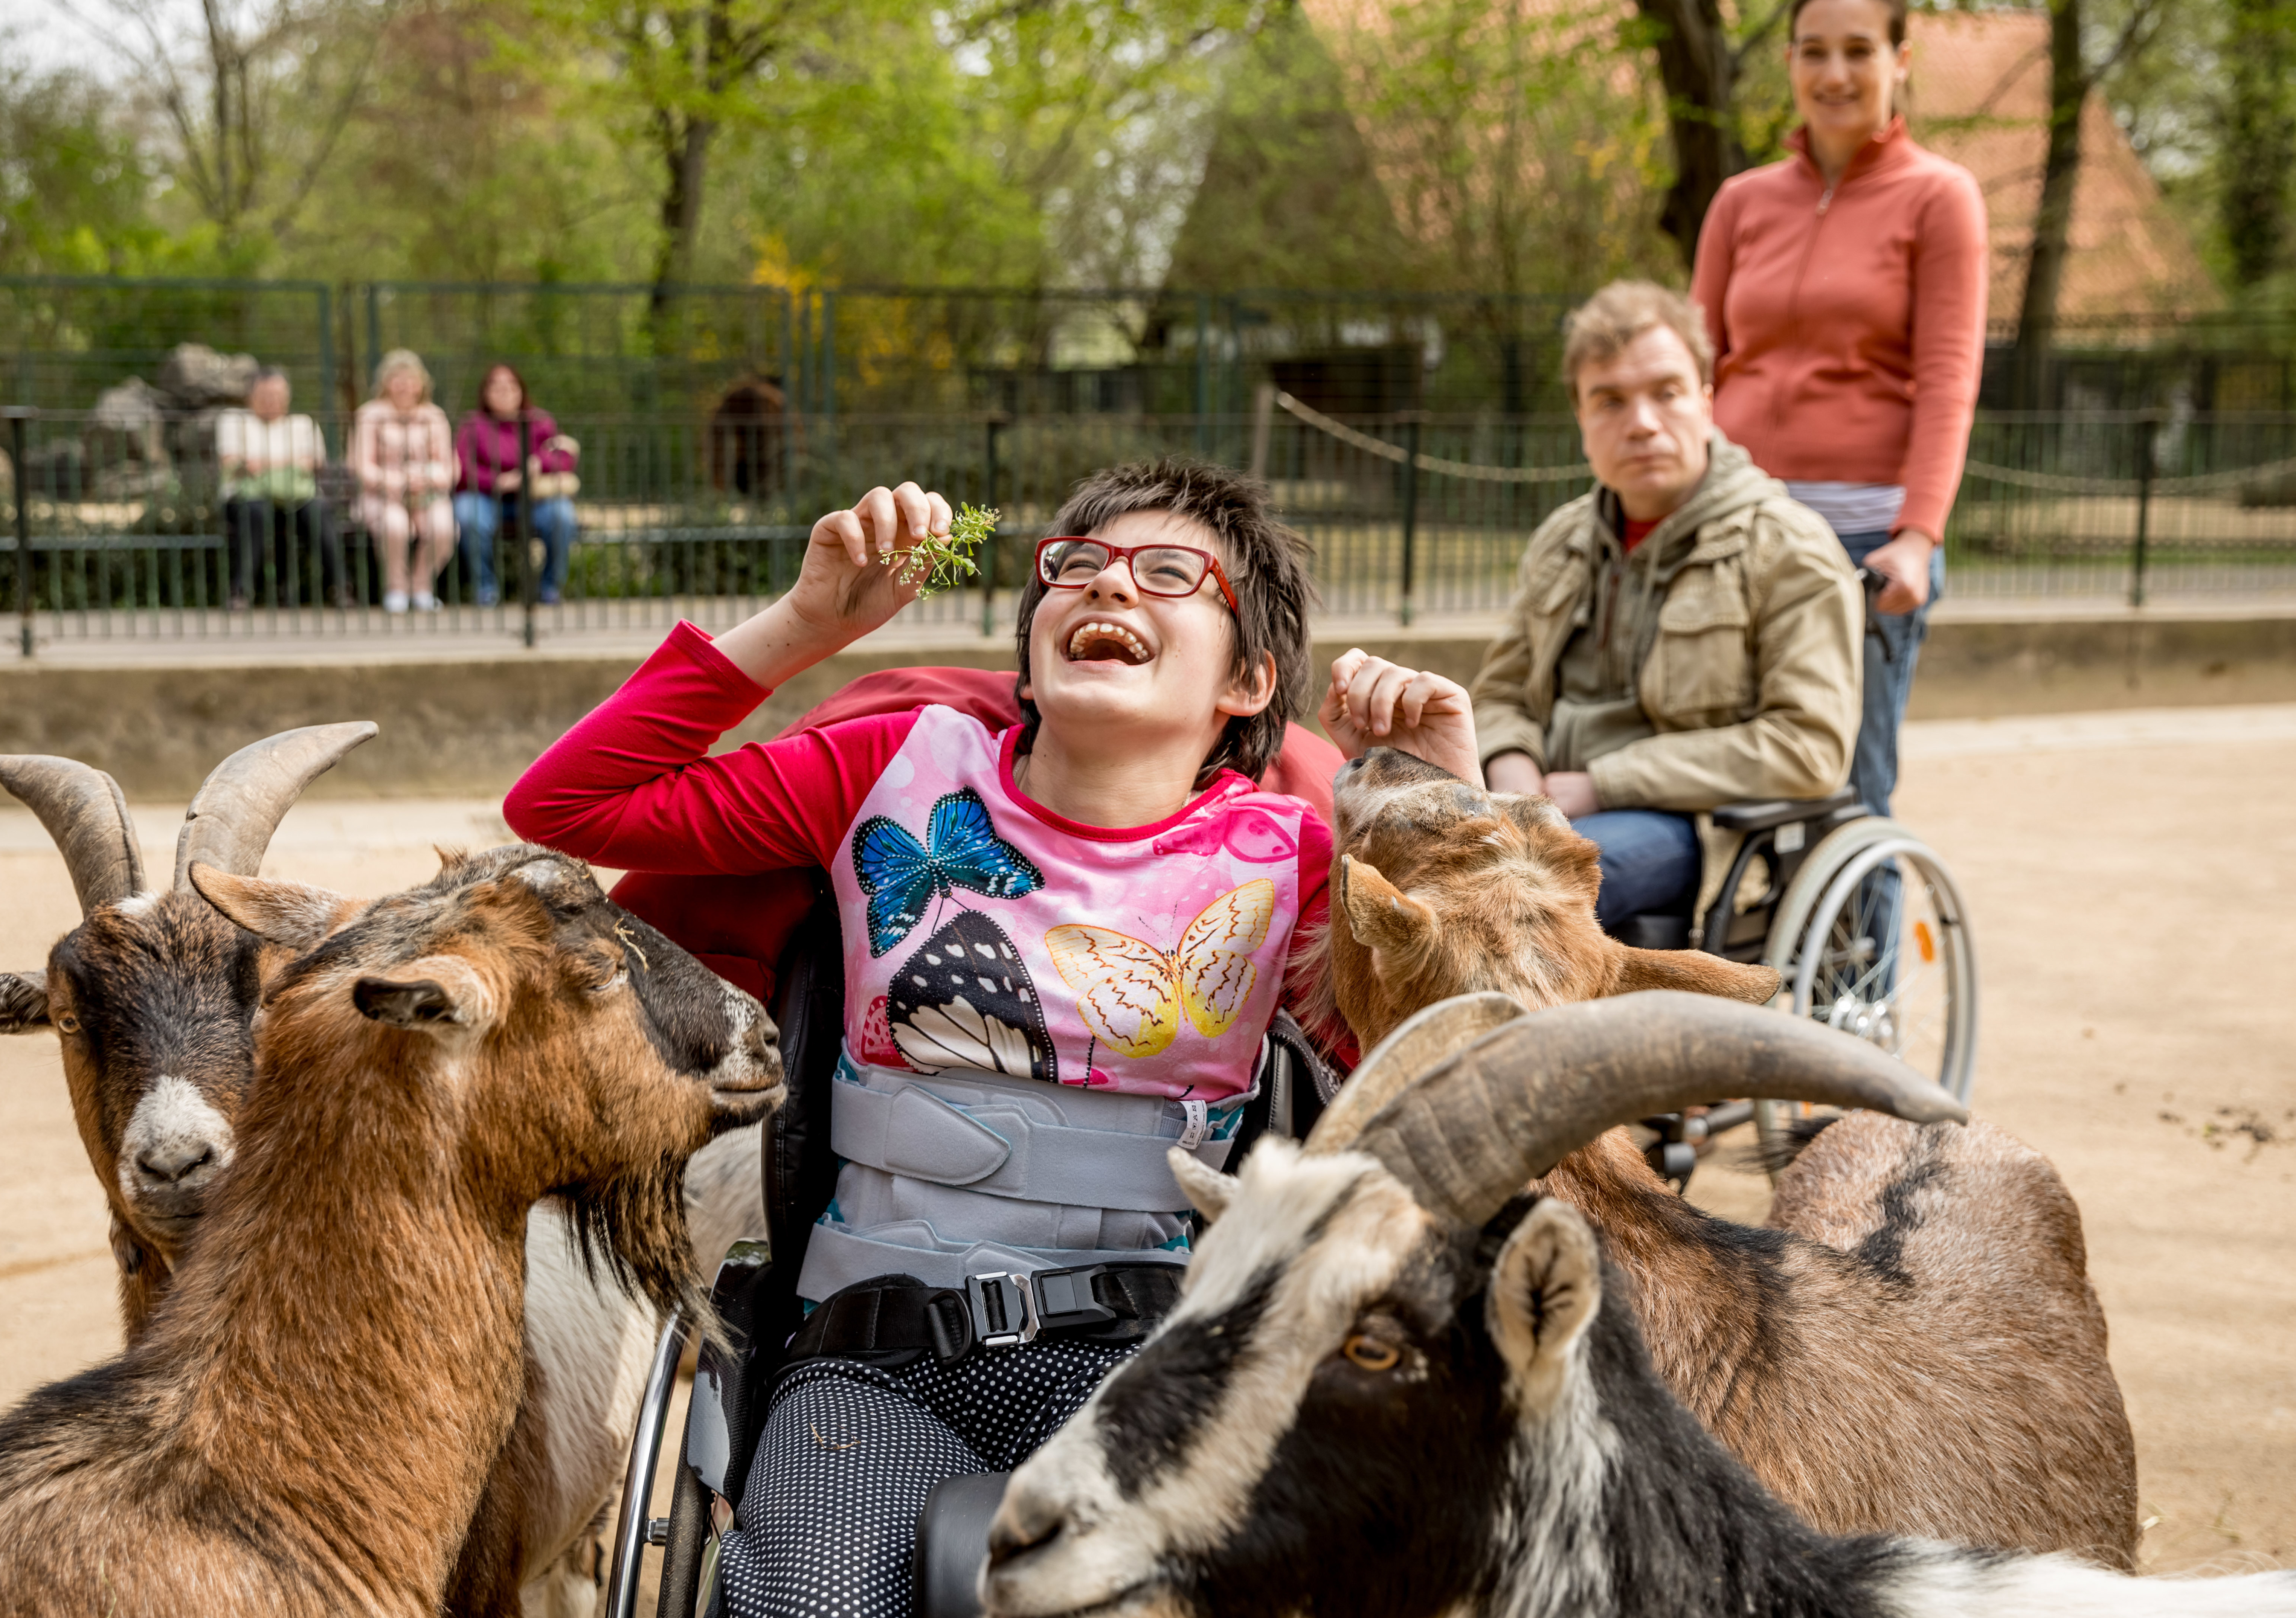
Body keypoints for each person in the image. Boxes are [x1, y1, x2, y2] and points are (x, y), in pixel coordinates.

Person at [504, 460, 1475, 1616]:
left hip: (1151, 1361)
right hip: (871, 1355)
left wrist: (1454, 804)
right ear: (1032, 647)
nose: (1108, 588)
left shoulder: (1297, 859)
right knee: (811, 1602)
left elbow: (1463, 1056)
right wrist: (807, 624)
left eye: (1170, 574)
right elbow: (563, 809)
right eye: (1075, 567)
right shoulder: (898, 771)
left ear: (1251, 681)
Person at [1470, 281, 1863, 934]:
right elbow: (1503, 693)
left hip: (1694, 828)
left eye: (1667, 392)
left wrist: (1601, 784)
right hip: (1535, 810)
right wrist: (1515, 771)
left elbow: (1808, 747)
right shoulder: (1560, 543)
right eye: (1611, 400)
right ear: (1583, 420)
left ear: (1708, 402)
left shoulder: (1788, 548)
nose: (1644, 422)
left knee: (1518, 901)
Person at [1690, 0, 1989, 818]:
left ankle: (1867, 952)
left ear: (1901, 60)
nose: (1833, 74)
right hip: (1736, 530)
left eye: (1859, 50)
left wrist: (1918, 539)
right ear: (1788, 62)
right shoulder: (1740, 204)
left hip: (1863, 545)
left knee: (1849, 795)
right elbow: (1694, 369)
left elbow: (1948, 378)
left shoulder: (1940, 198)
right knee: (1716, 786)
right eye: (1813, 51)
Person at [452, 363, 580, 607]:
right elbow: (463, 469)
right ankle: (486, 589)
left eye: (511, 386)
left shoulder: (540, 421)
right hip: (485, 496)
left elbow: (564, 456)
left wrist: (536, 464)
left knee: (562, 515)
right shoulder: (472, 425)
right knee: (469, 516)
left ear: (521, 390)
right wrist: (499, 481)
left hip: (533, 497)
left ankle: (549, 588)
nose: (504, 392)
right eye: (496, 387)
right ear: (485, 393)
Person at [215, 368, 342, 609]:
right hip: (246, 499)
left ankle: (341, 586)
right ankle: (240, 592)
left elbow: (314, 462)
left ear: (288, 396)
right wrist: (289, 462)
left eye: (277, 393)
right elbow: (232, 462)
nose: (271, 399)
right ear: (250, 396)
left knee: (318, 510)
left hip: (296, 499)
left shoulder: (302, 423)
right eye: (265, 393)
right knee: (257, 511)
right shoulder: (233, 421)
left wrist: (263, 464)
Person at [350, 349, 458, 614]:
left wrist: (429, 480)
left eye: (411, 379)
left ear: (421, 384)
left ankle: (422, 587)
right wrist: (393, 482)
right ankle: (396, 588)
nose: (404, 386)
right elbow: (361, 465)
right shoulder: (370, 415)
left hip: (427, 494)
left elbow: (449, 466)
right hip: (382, 494)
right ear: (385, 383)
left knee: (444, 528)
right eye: (397, 379)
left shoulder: (434, 415)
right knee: (395, 525)